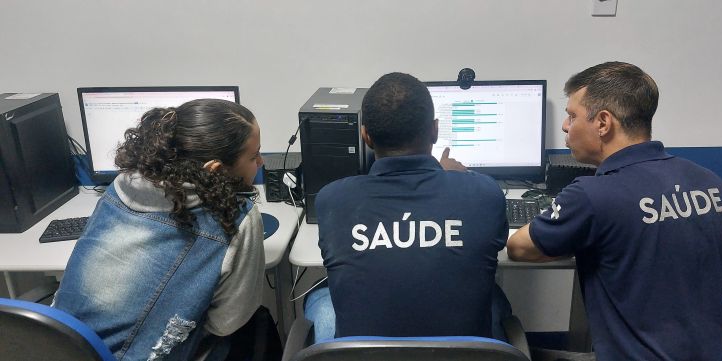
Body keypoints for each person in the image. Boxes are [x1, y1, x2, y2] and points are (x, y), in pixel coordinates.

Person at [507, 62, 722, 360]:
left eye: (572, 116)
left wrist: (578, 236)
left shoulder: (590, 196)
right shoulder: (711, 183)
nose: (565, 126)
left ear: (603, 123)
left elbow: (519, 248)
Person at [303, 72, 511, 342]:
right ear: (435, 130)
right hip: (461, 357)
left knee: (319, 296)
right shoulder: (484, 194)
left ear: (365, 136)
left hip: (364, 359)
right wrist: (453, 177)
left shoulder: (333, 200)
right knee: (492, 296)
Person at [53, 99, 266, 360]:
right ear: (216, 170)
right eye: (254, 156)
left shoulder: (121, 185)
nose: (262, 162)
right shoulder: (237, 215)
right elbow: (227, 322)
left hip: (59, 348)